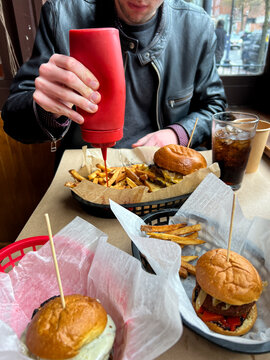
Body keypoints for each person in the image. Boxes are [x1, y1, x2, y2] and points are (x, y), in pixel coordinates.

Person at [2, 0, 227, 164]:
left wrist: (177, 134)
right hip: (87, 167)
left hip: (162, 167)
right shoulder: (60, 14)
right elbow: (13, 122)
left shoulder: (198, 26)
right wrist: (46, 110)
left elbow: (214, 106)